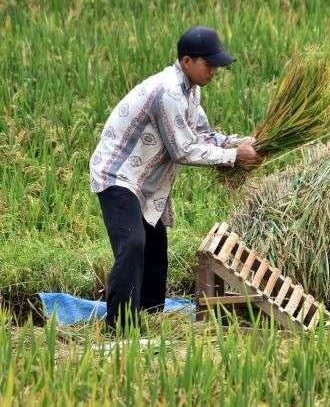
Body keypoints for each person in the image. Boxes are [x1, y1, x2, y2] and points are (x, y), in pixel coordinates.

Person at [89, 26, 263, 331]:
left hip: (145, 181)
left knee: (155, 249)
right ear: (186, 61)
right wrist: (236, 158)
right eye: (208, 64)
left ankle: (152, 317)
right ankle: (117, 328)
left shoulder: (190, 91)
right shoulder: (169, 91)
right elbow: (183, 149)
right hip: (118, 174)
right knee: (132, 244)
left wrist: (242, 143)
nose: (214, 71)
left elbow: (204, 136)